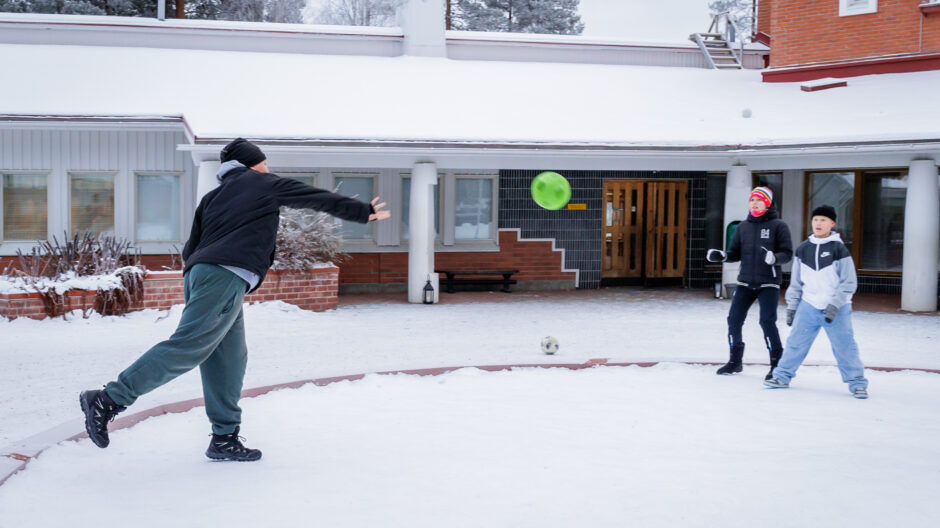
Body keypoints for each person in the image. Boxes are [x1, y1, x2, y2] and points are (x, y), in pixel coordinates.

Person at [79, 138, 391, 461]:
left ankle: (224, 437)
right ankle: (108, 399)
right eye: (265, 163)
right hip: (224, 276)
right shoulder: (262, 184)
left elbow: (192, 246)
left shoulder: (213, 197)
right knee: (188, 347)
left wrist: (205, 276)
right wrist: (361, 211)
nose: (268, 168)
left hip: (208, 275)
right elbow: (310, 196)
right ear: (252, 164)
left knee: (230, 357)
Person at [764, 205, 869, 399]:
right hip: (809, 305)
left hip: (837, 308)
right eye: (815, 220)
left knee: (845, 346)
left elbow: (849, 282)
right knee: (795, 343)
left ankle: (857, 383)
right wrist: (793, 307)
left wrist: (835, 304)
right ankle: (782, 377)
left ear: (832, 224)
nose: (818, 224)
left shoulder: (839, 249)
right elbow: (795, 282)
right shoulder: (803, 248)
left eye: (823, 220)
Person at [706, 186, 793, 379]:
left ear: (768, 203)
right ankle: (735, 362)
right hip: (745, 282)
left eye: (759, 200)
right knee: (734, 320)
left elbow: (787, 254)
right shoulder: (743, 227)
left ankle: (776, 365)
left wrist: (775, 258)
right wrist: (722, 256)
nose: (755, 203)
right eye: (752, 199)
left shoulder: (779, 226)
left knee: (767, 322)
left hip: (768, 283)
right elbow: (734, 253)